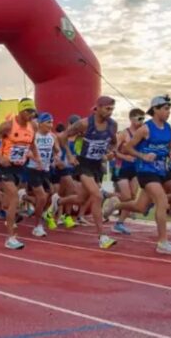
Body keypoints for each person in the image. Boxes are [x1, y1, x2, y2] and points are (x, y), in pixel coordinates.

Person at [107, 96, 171, 255]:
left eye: (169, 109)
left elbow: (169, 148)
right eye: (165, 109)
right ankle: (162, 242)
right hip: (145, 171)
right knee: (162, 200)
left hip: (161, 170)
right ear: (155, 109)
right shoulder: (145, 129)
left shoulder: (168, 128)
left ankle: (115, 205)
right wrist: (143, 156)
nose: (168, 112)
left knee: (139, 207)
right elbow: (127, 147)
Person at [57, 96, 118, 250]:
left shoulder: (113, 125)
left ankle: (57, 202)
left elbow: (113, 143)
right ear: (97, 107)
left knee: (81, 198)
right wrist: (70, 156)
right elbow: (62, 137)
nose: (110, 112)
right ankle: (102, 237)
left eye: (112, 109)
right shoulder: (84, 124)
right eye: (107, 108)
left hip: (97, 164)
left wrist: (110, 153)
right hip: (83, 163)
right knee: (97, 195)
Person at [0, 98, 41, 249]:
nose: (31, 115)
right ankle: (10, 238)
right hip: (5, 166)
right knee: (15, 197)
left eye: (33, 112)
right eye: (28, 111)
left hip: (20, 167)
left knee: (8, 202)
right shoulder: (8, 126)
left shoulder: (33, 127)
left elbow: (32, 144)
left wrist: (37, 159)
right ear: (21, 111)